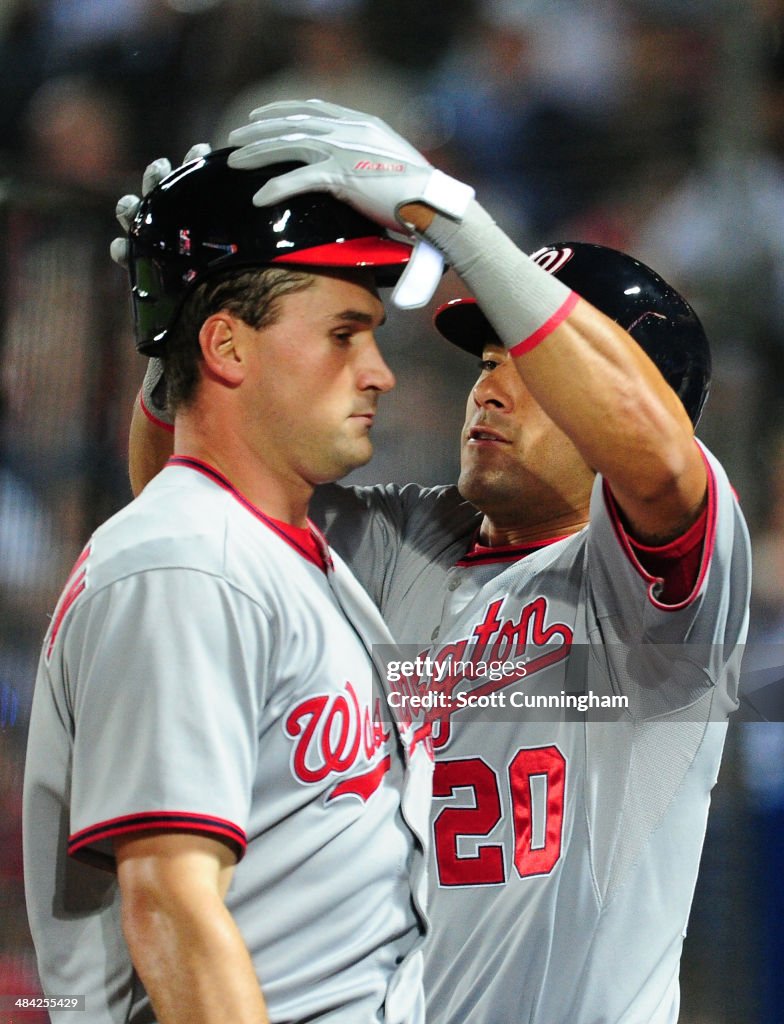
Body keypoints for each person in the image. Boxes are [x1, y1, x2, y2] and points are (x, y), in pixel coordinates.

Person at [126, 101, 751, 1024]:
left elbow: (656, 462)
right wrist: (185, 329)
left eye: (533, 370)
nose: (492, 387)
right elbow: (183, 494)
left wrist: (456, 220)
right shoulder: (398, 542)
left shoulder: (663, 595)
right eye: (487, 360)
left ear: (618, 400)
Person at [22, 146, 433, 1024]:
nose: (377, 372)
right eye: (342, 333)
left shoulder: (267, 555)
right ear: (226, 345)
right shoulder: (183, 565)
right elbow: (172, 903)